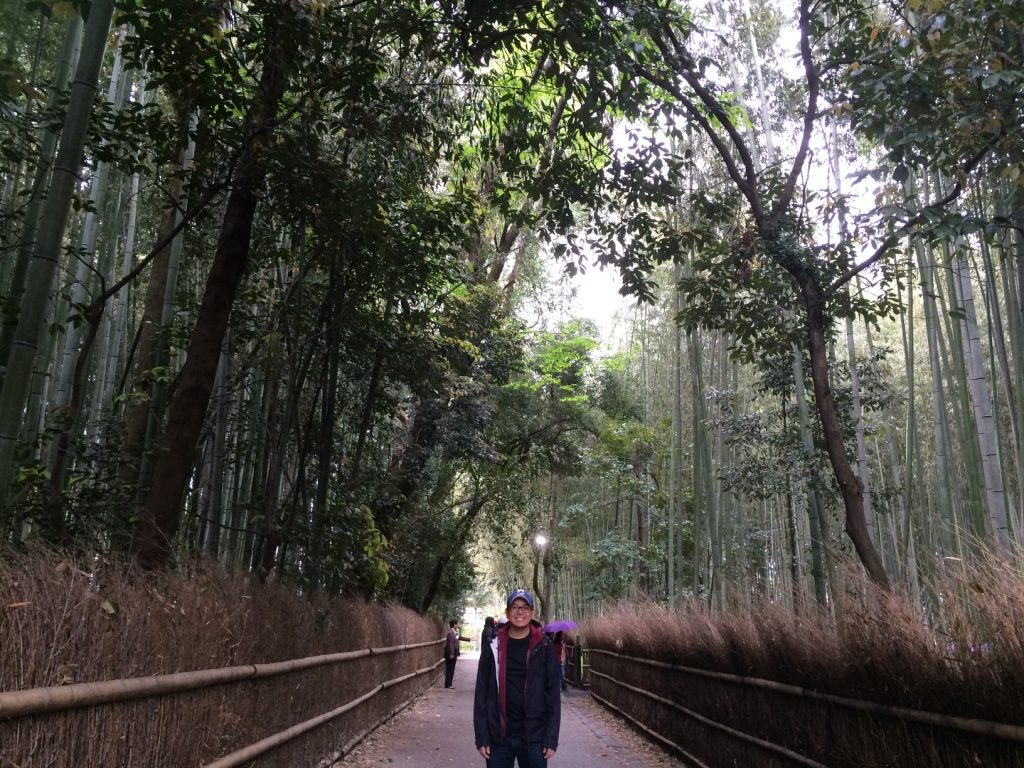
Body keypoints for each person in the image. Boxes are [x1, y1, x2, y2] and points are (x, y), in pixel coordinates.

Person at [474, 588, 560, 767]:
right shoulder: (493, 645)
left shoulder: (544, 646)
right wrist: (482, 736)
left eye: (525, 607)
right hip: (499, 737)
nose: (520, 611)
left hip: (534, 738)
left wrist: (551, 738)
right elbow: (482, 692)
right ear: (507, 612)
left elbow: (553, 694)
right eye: (515, 607)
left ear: (532, 612)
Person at [444, 619, 462, 688]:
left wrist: (469, 639)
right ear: (454, 625)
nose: (457, 625)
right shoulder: (451, 633)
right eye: (457, 624)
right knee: (450, 669)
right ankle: (448, 684)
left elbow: (459, 638)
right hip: (451, 653)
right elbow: (450, 644)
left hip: (454, 652)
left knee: (452, 668)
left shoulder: (455, 633)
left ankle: (449, 684)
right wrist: (451, 654)